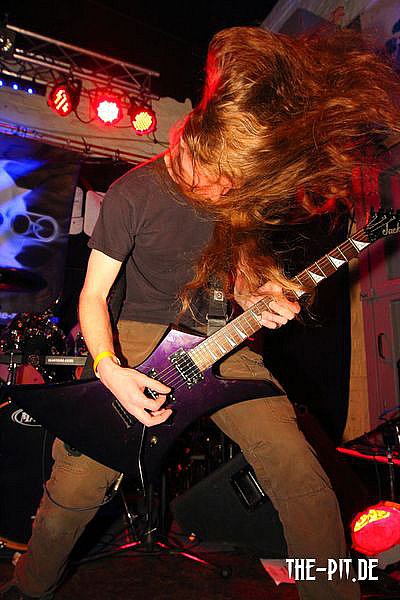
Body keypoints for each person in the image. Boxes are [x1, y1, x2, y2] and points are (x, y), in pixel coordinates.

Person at [2, 25, 400, 600]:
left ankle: (333, 590)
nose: (223, 192)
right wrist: (110, 369)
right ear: (187, 142)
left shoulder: (234, 189)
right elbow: (92, 296)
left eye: (233, 183)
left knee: (301, 473)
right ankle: (29, 585)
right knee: (76, 485)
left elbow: (243, 271)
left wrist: (265, 295)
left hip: (221, 338)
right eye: (216, 179)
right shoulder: (132, 194)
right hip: (136, 338)